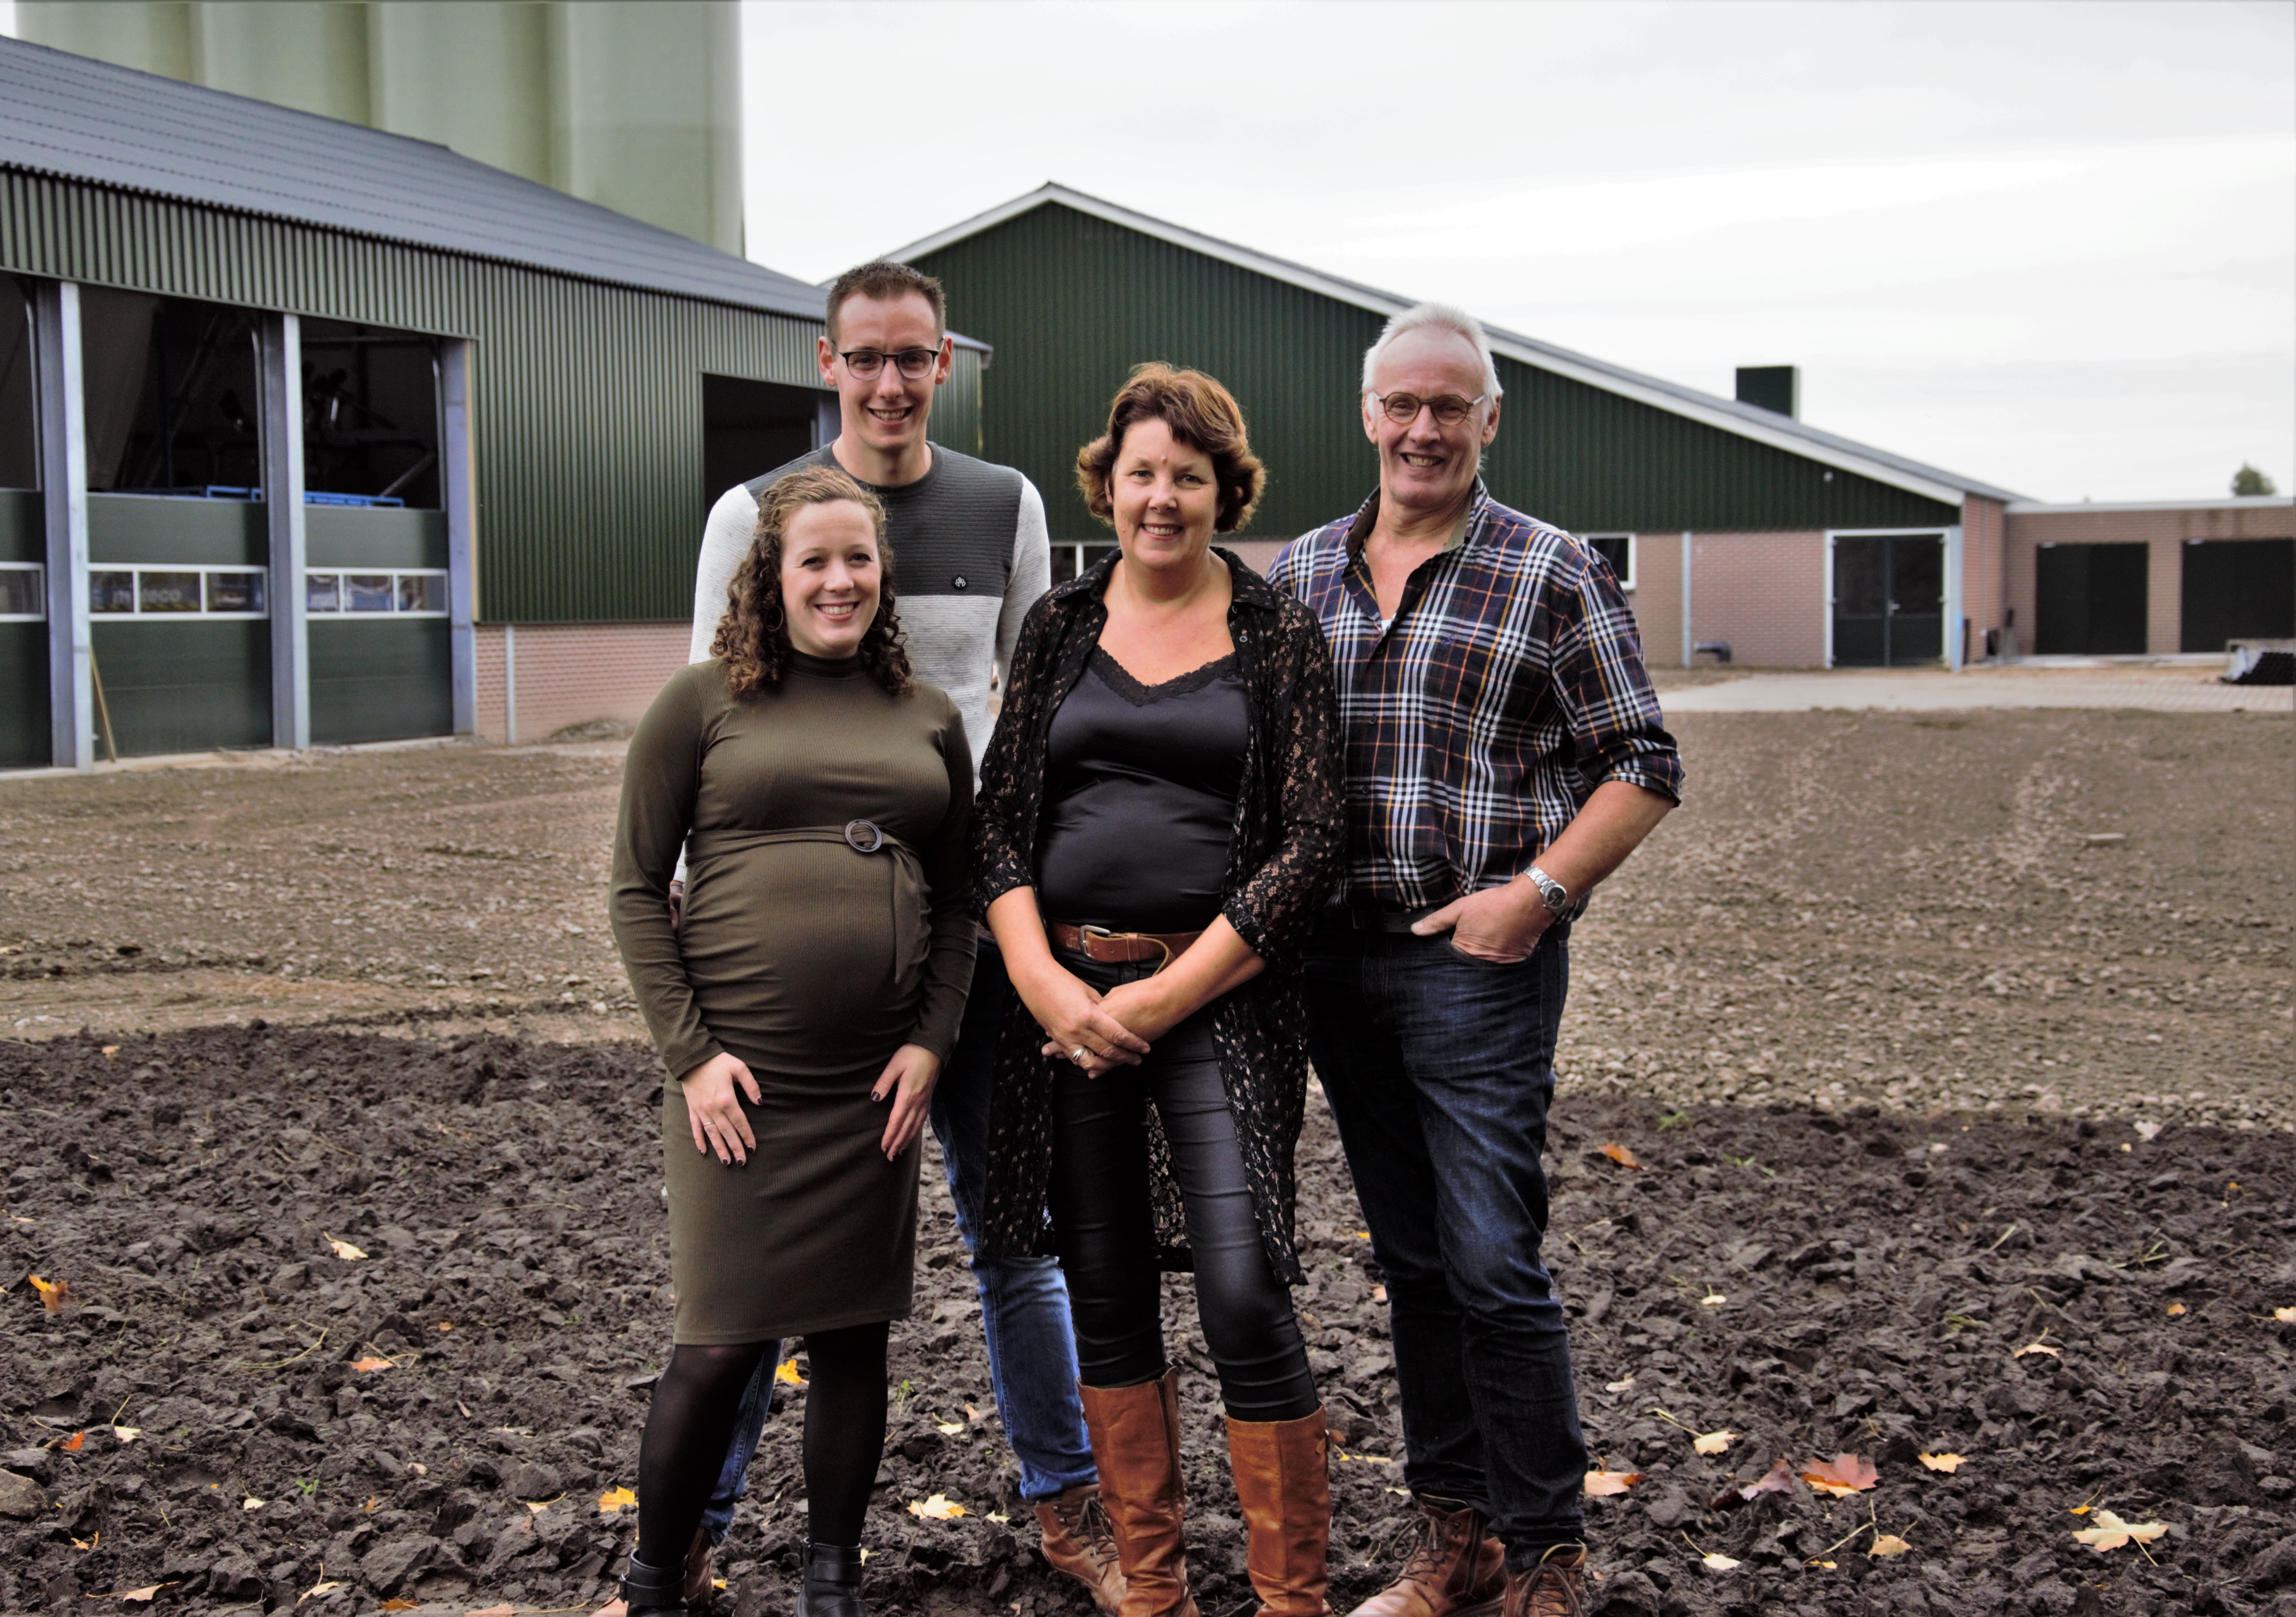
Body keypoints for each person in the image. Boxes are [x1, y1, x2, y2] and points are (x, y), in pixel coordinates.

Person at [682, 263, 1122, 1610]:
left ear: (946, 366)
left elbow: (1034, 715)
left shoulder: (1007, 507)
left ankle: (1068, 1508)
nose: (889, 382)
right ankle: (691, 1529)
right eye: (865, 357)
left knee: (1014, 1236)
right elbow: (709, 730)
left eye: (914, 358)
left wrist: (1034, 913)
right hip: (802, 964)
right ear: (827, 364)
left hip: (976, 933)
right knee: (766, 1257)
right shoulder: (752, 516)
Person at [1269, 305, 1683, 1617]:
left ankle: (1551, 1552)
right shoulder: (1302, 575)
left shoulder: (1552, 569)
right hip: (1337, 964)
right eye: (1403, 404)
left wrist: (1542, 894)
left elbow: (1643, 761)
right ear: (1367, 412)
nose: (1424, 429)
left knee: (1495, 1257)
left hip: (1475, 963)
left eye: (1451, 407)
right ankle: (1455, 1539)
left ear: (1490, 420)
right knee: (1415, 1261)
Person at [973, 365, 1346, 1617]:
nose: (1162, 498)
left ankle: (1291, 1597)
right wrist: (1041, 982)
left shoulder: (1278, 633)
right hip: (1064, 1008)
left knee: (1245, 1287)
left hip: (1215, 1008)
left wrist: (1160, 999)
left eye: (1188, 475)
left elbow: (1310, 847)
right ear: (1110, 481)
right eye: (1142, 472)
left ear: (1223, 490)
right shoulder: (1061, 628)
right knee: (1105, 1286)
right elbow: (999, 826)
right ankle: (1155, 1589)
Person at [609, 467, 978, 1617]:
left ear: (885, 573)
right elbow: (633, 889)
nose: (839, 580)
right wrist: (691, 1056)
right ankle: (659, 1582)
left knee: (855, 1340)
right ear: (771, 573)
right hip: (741, 1086)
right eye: (814, 559)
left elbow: (965, 899)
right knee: (717, 1346)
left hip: (873, 1089)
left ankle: (832, 1583)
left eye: (858, 559)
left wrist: (931, 1045)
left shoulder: (928, 716)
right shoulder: (702, 701)